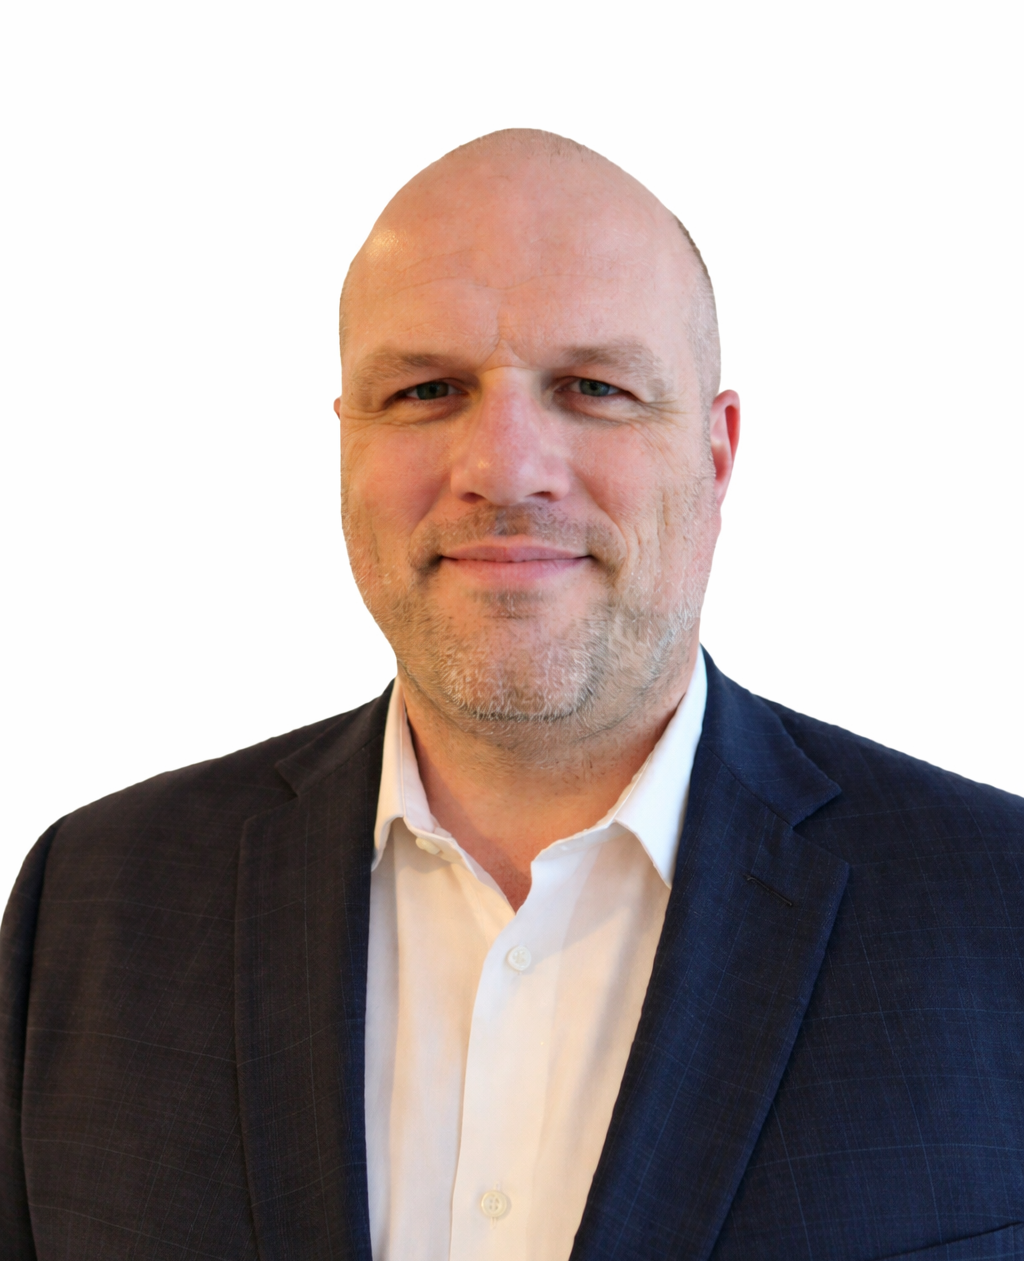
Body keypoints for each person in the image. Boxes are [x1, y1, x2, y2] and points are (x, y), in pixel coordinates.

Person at [1, 129, 1021, 1261]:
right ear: (345, 445)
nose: (504, 464)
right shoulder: (90, 908)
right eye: (427, 389)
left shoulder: (999, 911)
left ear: (718, 458)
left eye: (594, 388)